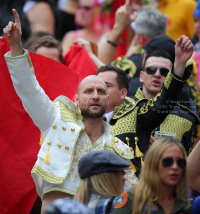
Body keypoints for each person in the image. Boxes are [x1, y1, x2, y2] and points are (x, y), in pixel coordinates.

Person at [3, 9, 137, 214]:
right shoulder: (55, 119)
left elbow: (135, 196)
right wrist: (16, 47)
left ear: (108, 100)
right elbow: (29, 89)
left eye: (101, 91)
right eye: (88, 91)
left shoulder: (118, 147)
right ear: (76, 99)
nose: (95, 96)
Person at [97, 35, 196, 175]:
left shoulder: (186, 118)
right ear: (142, 76)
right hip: (122, 186)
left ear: (170, 77)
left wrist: (165, 154)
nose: (157, 74)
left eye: (164, 72)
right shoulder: (120, 106)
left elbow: (190, 171)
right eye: (151, 70)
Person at [113, 137, 191, 214]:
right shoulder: (131, 199)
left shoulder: (185, 208)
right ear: (153, 163)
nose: (175, 167)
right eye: (167, 161)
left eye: (181, 162)